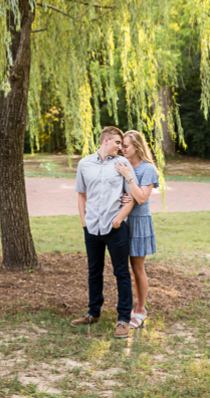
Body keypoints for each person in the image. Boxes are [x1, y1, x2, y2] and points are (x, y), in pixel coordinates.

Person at [71, 126, 135, 338]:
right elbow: (81, 194)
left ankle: (124, 319)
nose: (121, 147)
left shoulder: (123, 164)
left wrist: (118, 219)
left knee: (121, 273)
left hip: (115, 228)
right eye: (118, 143)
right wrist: (83, 221)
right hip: (92, 227)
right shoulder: (84, 164)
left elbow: (131, 196)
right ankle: (93, 312)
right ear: (106, 141)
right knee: (94, 271)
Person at [115, 129, 160, 329]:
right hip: (123, 221)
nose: (122, 149)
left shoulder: (147, 169)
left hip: (139, 222)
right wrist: (123, 198)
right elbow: (125, 193)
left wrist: (128, 179)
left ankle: (141, 310)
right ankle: (127, 309)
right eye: (121, 145)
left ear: (137, 147)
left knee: (137, 268)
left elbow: (141, 198)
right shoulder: (122, 164)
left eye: (126, 146)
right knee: (123, 269)